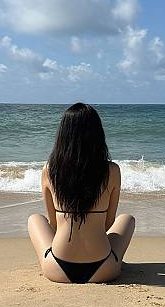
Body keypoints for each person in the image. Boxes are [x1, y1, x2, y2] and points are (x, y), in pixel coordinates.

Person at [27, 102, 135, 283]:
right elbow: (108, 223)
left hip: (58, 268)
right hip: (104, 268)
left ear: (63, 135)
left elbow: (53, 224)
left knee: (34, 219)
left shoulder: (49, 170)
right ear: (98, 135)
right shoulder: (112, 171)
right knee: (127, 219)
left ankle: (50, 258)